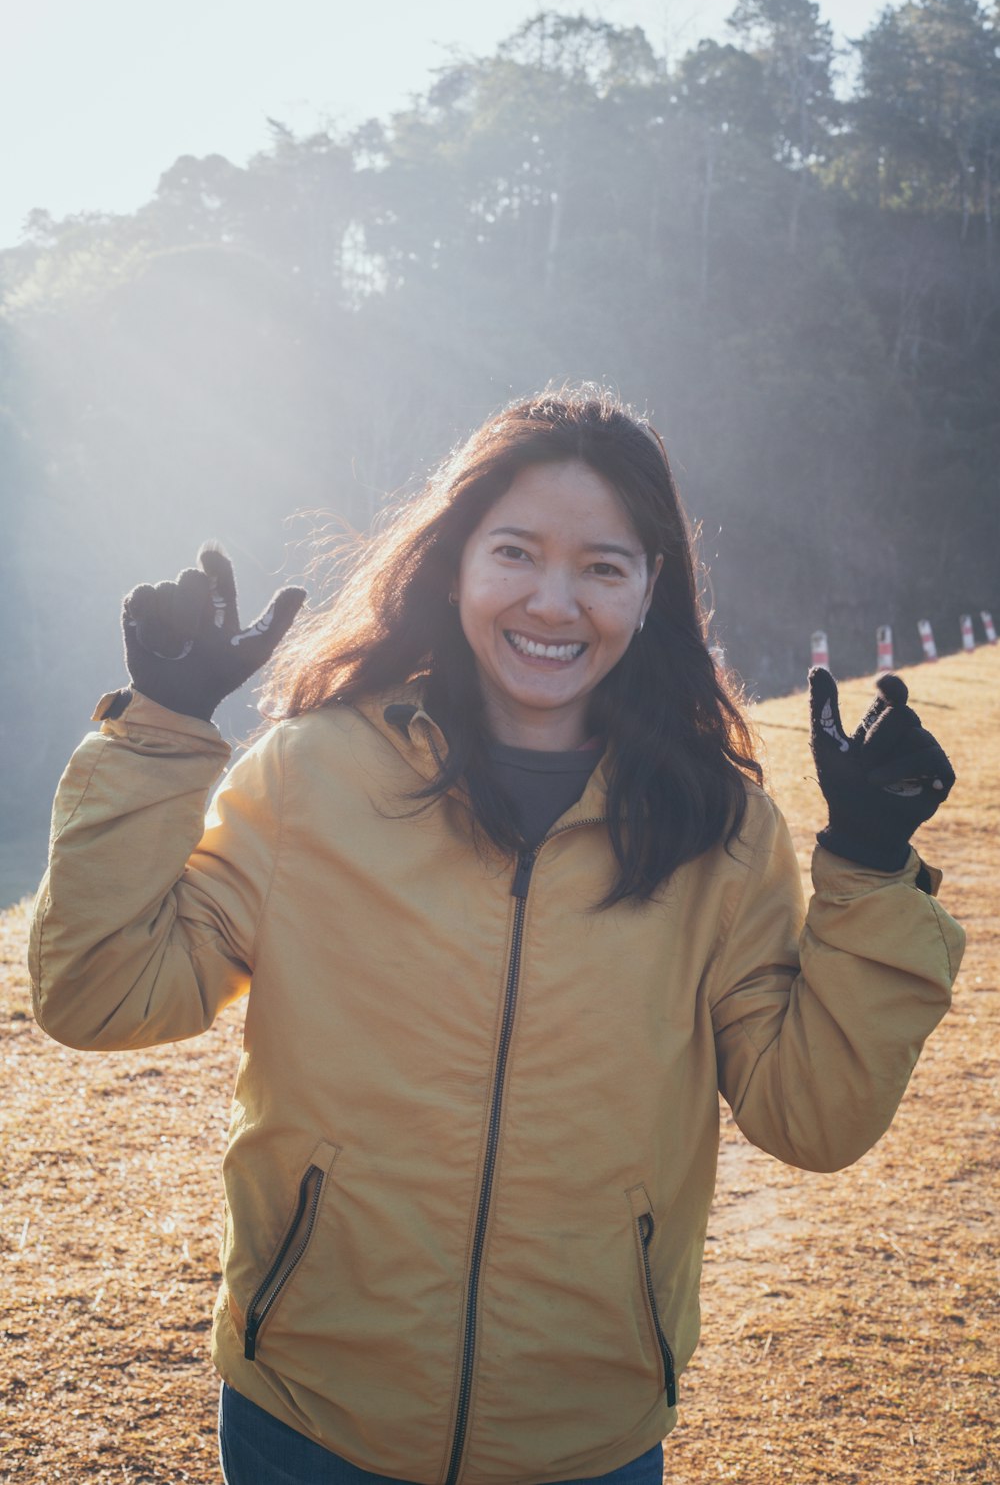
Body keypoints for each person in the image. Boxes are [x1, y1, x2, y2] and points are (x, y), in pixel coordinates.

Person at [29, 388, 964, 1485]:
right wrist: (160, 736)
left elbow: (813, 1115)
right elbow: (97, 991)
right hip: (310, 1416)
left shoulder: (716, 828)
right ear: (455, 563)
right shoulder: (311, 777)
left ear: (651, 589)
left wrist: (866, 870)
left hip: (583, 1437)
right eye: (514, 551)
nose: (553, 602)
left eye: (603, 567)